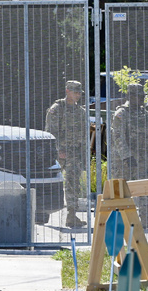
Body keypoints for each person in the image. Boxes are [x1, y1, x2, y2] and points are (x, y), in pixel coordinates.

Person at [111, 83, 148, 229]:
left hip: (143, 159)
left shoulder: (145, 114)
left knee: (146, 187)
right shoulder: (122, 114)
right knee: (122, 191)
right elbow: (118, 136)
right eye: (138, 96)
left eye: (142, 96)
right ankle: (118, 221)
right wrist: (126, 156)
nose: (141, 99)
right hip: (125, 161)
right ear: (130, 96)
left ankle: (146, 218)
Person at [46, 80, 87, 228]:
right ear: (67, 91)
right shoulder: (57, 109)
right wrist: (58, 150)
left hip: (74, 153)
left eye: (79, 92)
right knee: (49, 183)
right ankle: (40, 212)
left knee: (73, 184)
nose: (77, 95)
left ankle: (71, 215)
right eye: (75, 92)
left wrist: (83, 153)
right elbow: (50, 132)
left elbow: (83, 134)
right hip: (59, 154)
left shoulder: (80, 111)